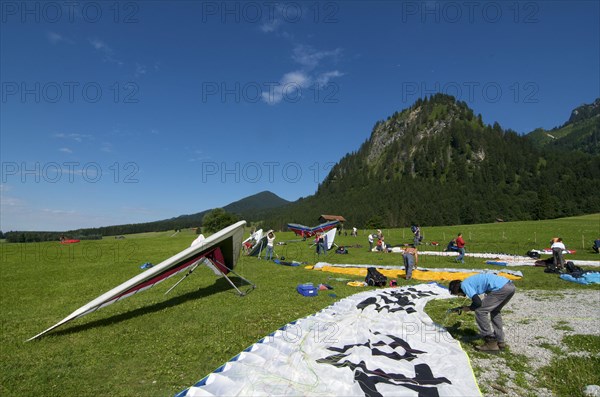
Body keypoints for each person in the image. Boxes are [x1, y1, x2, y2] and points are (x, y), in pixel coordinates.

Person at [449, 274, 516, 353]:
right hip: (510, 287)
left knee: (480, 311)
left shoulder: (464, 285)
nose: (458, 296)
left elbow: (477, 303)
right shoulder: (469, 282)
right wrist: (470, 307)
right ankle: (500, 341)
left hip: (501, 288)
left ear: (456, 289)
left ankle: (491, 343)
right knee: (495, 311)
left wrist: (469, 308)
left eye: (457, 294)